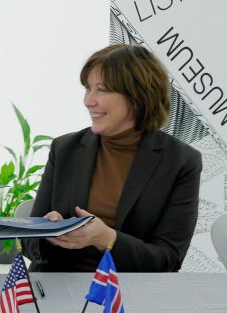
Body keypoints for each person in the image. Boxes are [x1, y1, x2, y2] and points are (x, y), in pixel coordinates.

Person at [22, 44, 202, 272]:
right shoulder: (65, 148)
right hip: (58, 289)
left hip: (128, 295)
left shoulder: (181, 162)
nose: (89, 101)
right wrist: (47, 234)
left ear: (137, 96)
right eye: (88, 89)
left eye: (102, 90)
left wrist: (107, 239)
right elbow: (29, 242)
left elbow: (168, 260)